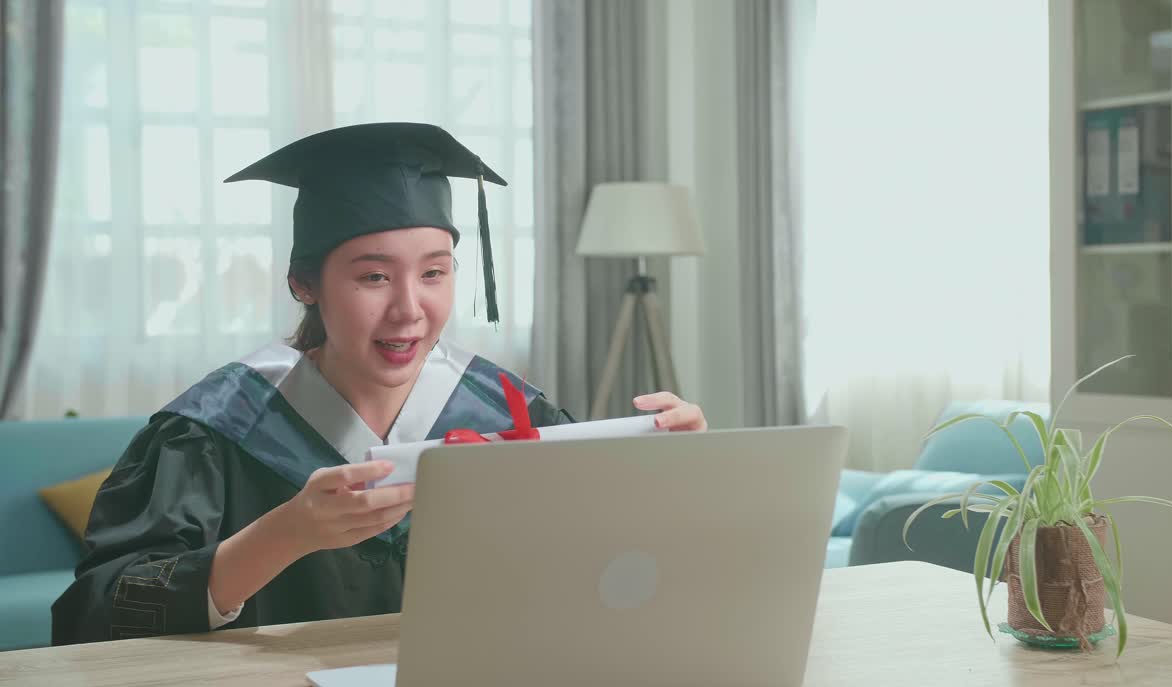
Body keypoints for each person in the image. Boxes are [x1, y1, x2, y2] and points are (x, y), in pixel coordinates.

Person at [51, 123, 707, 644]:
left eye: (434, 272)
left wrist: (670, 480)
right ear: (303, 284)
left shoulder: (512, 412)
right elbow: (97, 616)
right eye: (372, 276)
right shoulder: (213, 430)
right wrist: (288, 534)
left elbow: (609, 576)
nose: (408, 309)